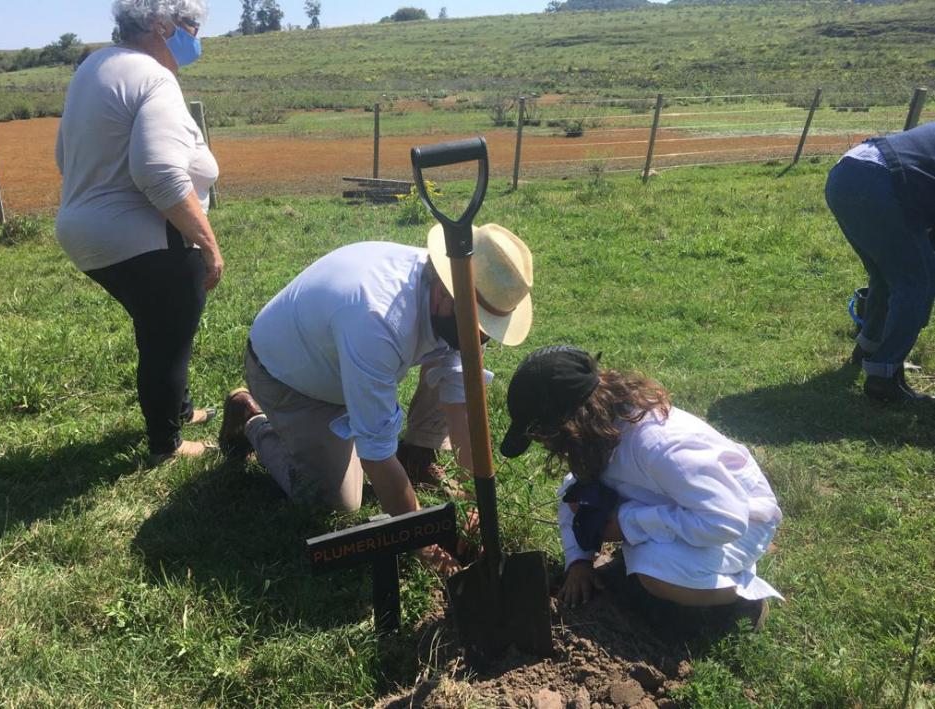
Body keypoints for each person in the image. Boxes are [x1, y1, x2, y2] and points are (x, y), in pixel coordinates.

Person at [218, 224, 534, 573]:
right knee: (336, 502)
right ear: (447, 293)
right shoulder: (378, 319)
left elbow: (462, 407)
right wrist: (424, 544)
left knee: (457, 359)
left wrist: (477, 503)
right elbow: (377, 455)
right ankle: (251, 419)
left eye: (488, 330)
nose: (481, 337)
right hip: (290, 380)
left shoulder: (447, 291)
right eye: (479, 324)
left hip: (344, 362)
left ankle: (417, 455)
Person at [500, 346, 783, 630]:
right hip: (693, 506)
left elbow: (725, 520)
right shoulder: (600, 434)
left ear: (571, 423)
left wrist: (626, 524)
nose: (549, 447)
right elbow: (572, 495)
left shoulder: (660, 446)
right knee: (585, 500)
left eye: (548, 438)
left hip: (743, 521)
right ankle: (664, 562)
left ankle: (738, 598)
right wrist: (578, 561)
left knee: (654, 570)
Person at [55, 0, 224, 465]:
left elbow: (63, 154)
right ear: (160, 24)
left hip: (84, 229)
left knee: (159, 327)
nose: (196, 37)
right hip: (144, 236)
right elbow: (158, 172)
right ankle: (166, 446)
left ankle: (181, 410)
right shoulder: (154, 77)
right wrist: (208, 245)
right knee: (167, 337)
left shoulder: (95, 67)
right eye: (191, 26)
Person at [825, 121, 935, 403]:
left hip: (847, 172)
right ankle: (884, 377)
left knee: (889, 276)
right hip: (879, 183)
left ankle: (870, 350)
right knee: (916, 283)